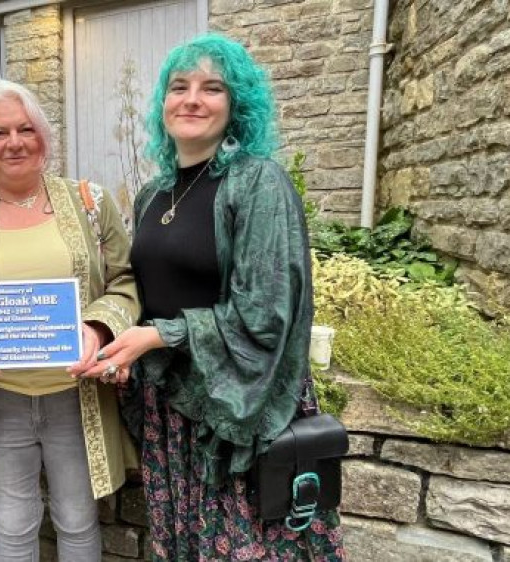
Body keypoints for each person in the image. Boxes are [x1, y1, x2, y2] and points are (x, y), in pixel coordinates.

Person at [70, 34, 346, 560]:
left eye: (211, 88)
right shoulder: (155, 192)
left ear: (235, 104)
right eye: (179, 86)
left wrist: (158, 335)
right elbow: (147, 289)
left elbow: (266, 314)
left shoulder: (258, 183)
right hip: (171, 411)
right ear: (163, 102)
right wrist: (123, 346)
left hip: (238, 410)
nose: (192, 99)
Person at [0, 79, 139, 561]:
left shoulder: (91, 204)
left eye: (26, 128)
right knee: (14, 525)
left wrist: (100, 327)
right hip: (0, 400)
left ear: (45, 137)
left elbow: (126, 281)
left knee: (78, 520)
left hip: (76, 396)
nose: (14, 142)